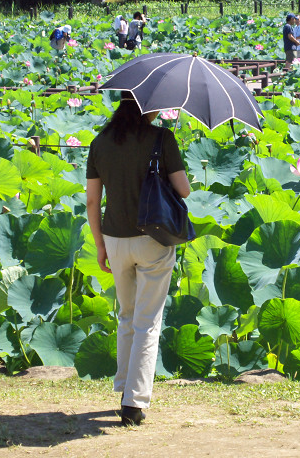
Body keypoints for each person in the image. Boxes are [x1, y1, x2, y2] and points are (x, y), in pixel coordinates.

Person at [86, 92, 191, 427]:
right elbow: (184, 190)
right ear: (150, 107)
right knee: (147, 320)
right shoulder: (162, 138)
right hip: (153, 239)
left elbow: (92, 202)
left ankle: (123, 386)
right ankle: (133, 403)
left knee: (127, 315)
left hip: (115, 240)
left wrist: (100, 244)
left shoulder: (100, 142)